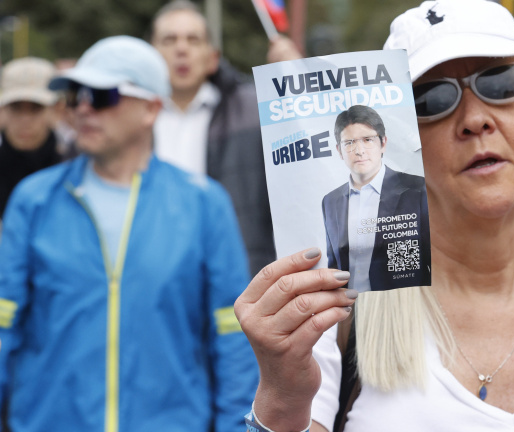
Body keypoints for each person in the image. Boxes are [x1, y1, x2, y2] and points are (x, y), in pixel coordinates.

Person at [234, 1, 514, 431]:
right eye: (431, 100)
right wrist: (280, 399)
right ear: (401, 143)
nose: (475, 119)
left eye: (501, 84)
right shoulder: (336, 316)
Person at [0, 36, 257, 431]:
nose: (83, 107)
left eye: (102, 95)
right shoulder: (34, 200)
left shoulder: (204, 204)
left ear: (151, 108)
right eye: (75, 95)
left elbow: (232, 332)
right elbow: (4, 321)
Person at [150, 0, 300, 275]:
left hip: (237, 274)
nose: (181, 49)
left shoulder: (256, 111)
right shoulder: (128, 118)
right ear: (150, 54)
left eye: (193, 40)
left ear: (213, 57)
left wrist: (295, 84)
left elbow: (306, 153)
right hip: (154, 271)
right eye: (169, 40)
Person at [322, 105, 430, 292]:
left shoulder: (417, 190)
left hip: (405, 303)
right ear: (339, 150)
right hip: (349, 305)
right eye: (349, 143)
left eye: (367, 140)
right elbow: (334, 266)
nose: (359, 150)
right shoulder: (330, 201)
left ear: (383, 143)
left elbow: (435, 261)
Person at [0, 57, 63, 219]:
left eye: (36, 108)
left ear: (55, 110)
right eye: (15, 107)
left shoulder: (74, 171)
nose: (25, 120)